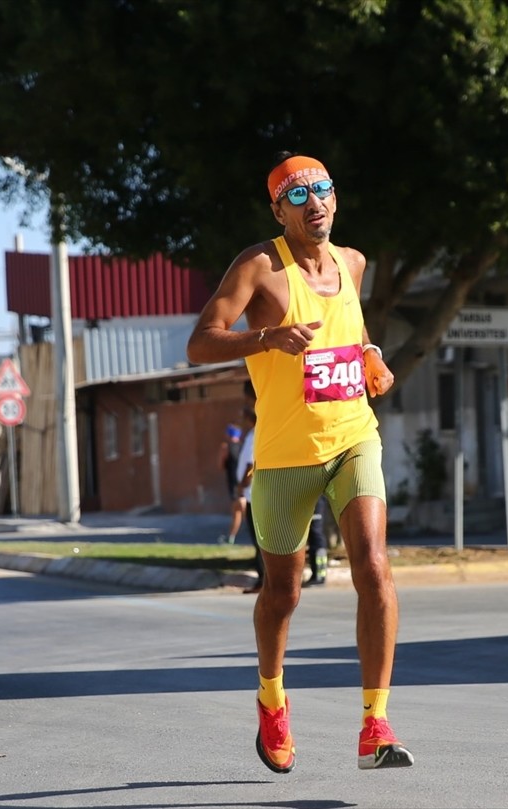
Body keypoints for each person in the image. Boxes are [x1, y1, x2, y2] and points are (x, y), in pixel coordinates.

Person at [186, 152, 413, 772]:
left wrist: (372, 357)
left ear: (336, 199)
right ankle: (271, 699)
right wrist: (266, 338)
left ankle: (375, 723)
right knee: (282, 594)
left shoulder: (354, 263)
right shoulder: (259, 268)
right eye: (298, 195)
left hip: (351, 438)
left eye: (324, 190)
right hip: (285, 455)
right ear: (278, 210)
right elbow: (200, 341)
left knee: (373, 566)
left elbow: (353, 330)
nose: (315, 203)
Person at [236, 406, 262, 592]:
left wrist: (243, 483)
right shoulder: (251, 435)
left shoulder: (257, 435)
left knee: (260, 541)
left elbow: (251, 463)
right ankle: (263, 579)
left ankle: (264, 581)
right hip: (251, 495)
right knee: (256, 540)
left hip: (255, 494)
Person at [218, 423, 245, 543]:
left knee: (237, 511)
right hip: (245, 482)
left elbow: (220, 465)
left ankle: (231, 537)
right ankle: (231, 537)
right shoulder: (244, 446)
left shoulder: (226, 447)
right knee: (240, 510)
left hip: (234, 484)